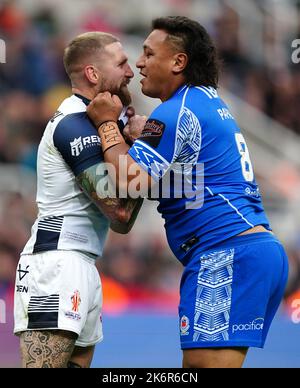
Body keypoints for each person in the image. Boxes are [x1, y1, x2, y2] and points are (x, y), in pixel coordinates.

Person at [86, 16, 289, 368]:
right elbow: (192, 187)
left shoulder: (175, 112)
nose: (139, 62)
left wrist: (107, 123)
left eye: (149, 54)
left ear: (179, 62)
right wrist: (143, 142)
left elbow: (127, 182)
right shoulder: (205, 101)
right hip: (248, 250)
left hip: (226, 253)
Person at [14, 32, 144, 368]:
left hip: (83, 262)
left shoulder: (97, 125)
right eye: (121, 63)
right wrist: (144, 153)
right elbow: (118, 209)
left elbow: (123, 222)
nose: (130, 72)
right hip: (56, 264)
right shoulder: (74, 124)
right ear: (92, 74)